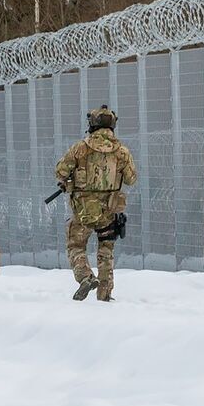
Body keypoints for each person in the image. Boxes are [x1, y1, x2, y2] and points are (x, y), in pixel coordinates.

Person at [54, 105, 138, 301]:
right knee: (106, 251)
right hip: (109, 210)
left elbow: (60, 171)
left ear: (92, 124)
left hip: (83, 210)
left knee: (76, 246)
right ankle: (105, 295)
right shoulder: (122, 152)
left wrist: (73, 178)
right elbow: (131, 179)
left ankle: (85, 277)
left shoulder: (80, 148)